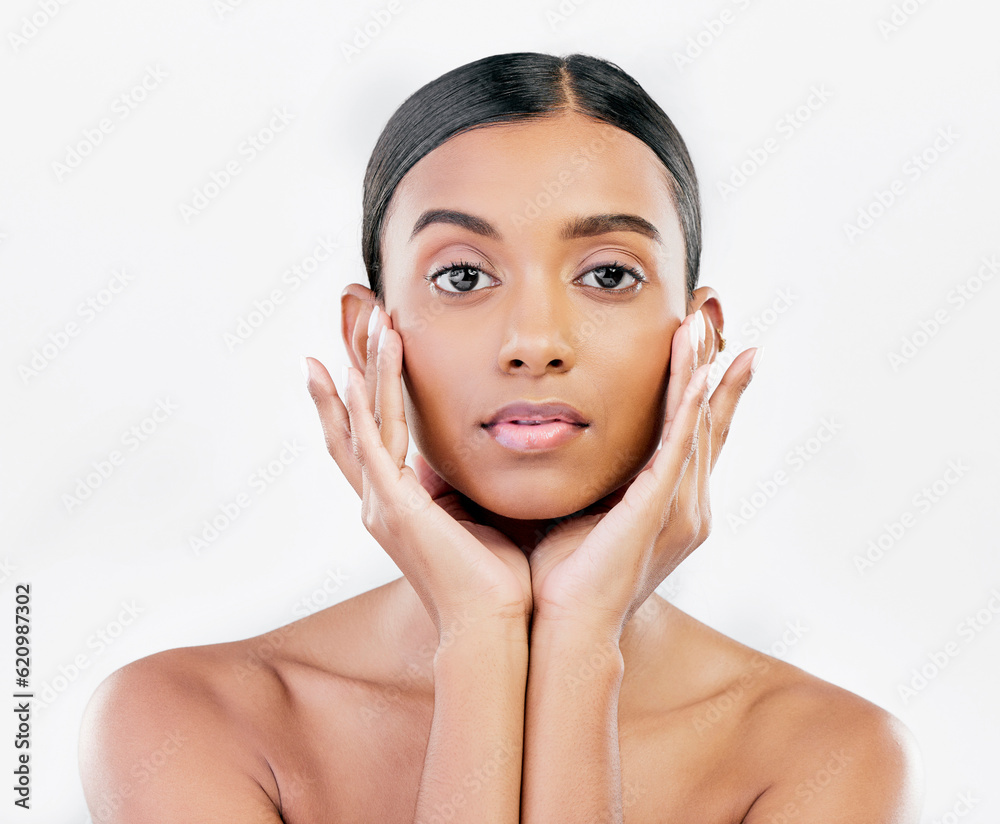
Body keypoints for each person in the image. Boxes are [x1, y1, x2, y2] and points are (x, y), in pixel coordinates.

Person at [78, 51, 923, 822]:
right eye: (461, 275)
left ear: (696, 340)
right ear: (369, 334)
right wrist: (480, 638)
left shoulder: (828, 757)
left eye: (609, 274)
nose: (534, 340)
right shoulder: (183, 719)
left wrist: (582, 640)